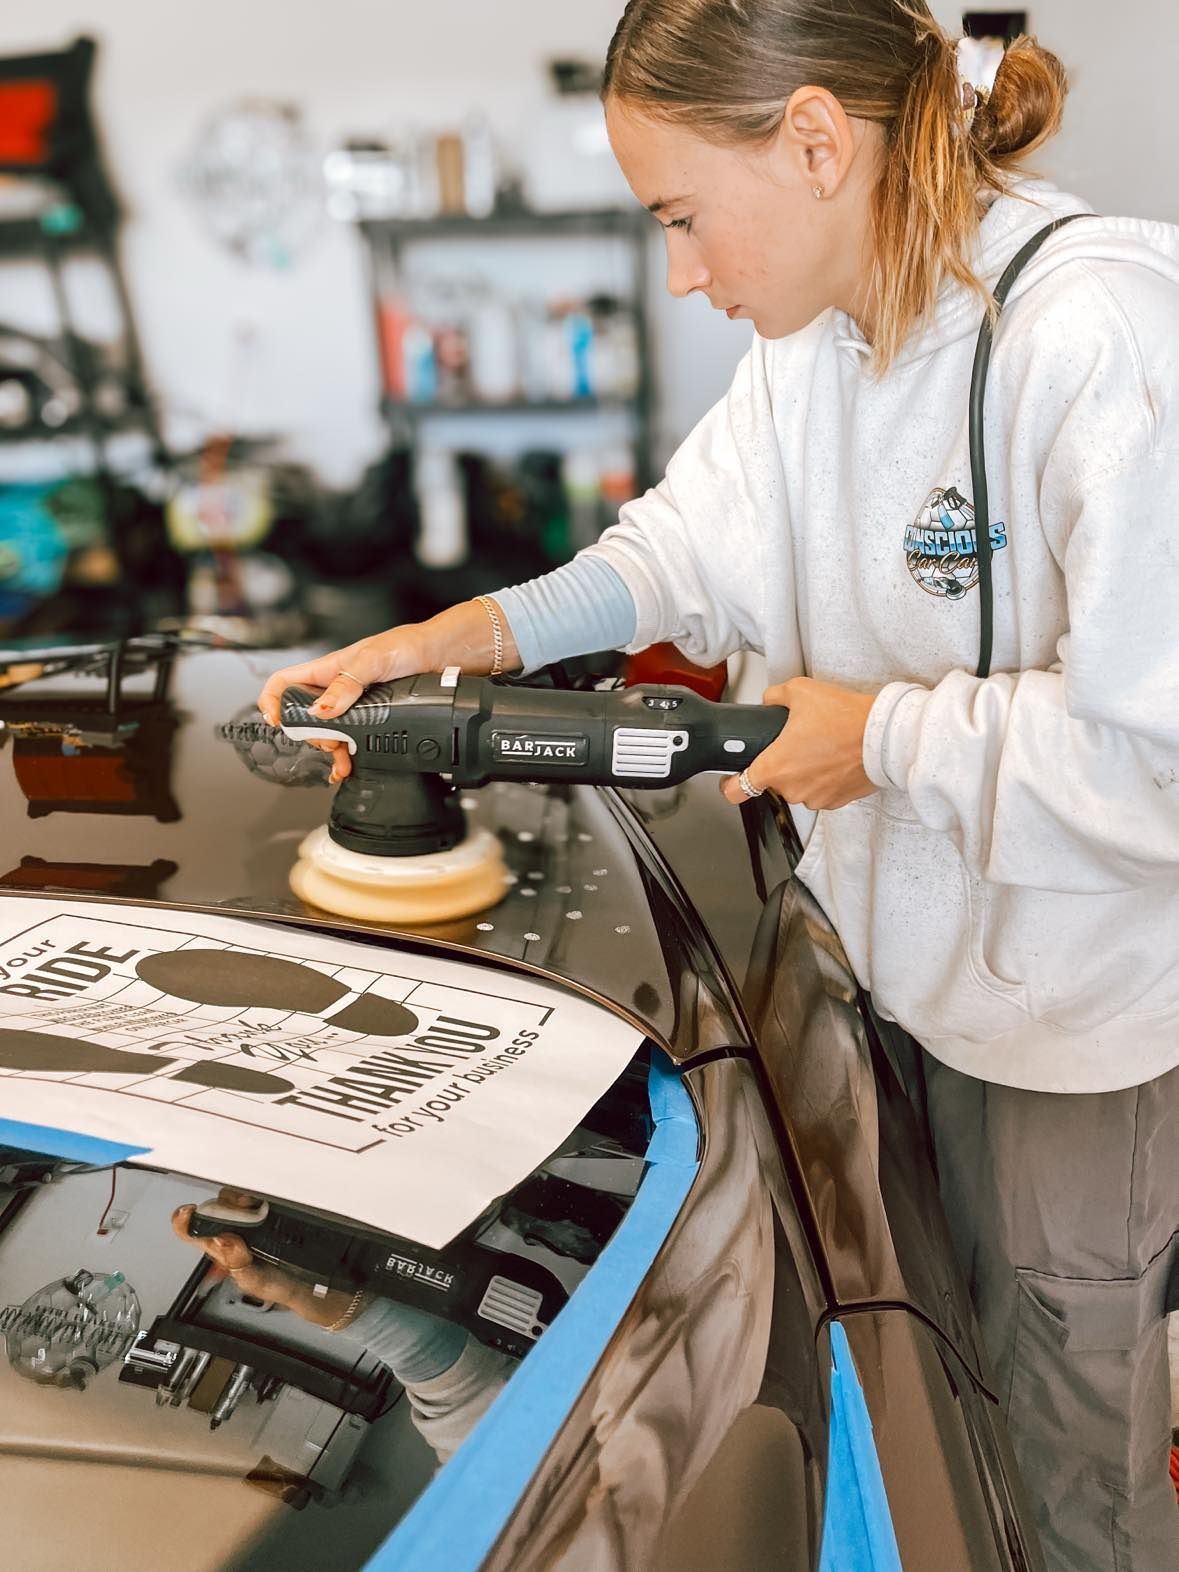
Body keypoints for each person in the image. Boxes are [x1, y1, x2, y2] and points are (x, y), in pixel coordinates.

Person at [260, 3, 1179, 1566]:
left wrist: (877, 739)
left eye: (682, 213)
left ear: (818, 142)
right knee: (917, 1421)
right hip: (873, 994)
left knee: (1049, 1472)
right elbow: (673, 554)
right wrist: (463, 635)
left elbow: (1157, 759)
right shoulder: (820, 343)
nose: (681, 269)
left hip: (1065, 1049)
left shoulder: (1102, 337)